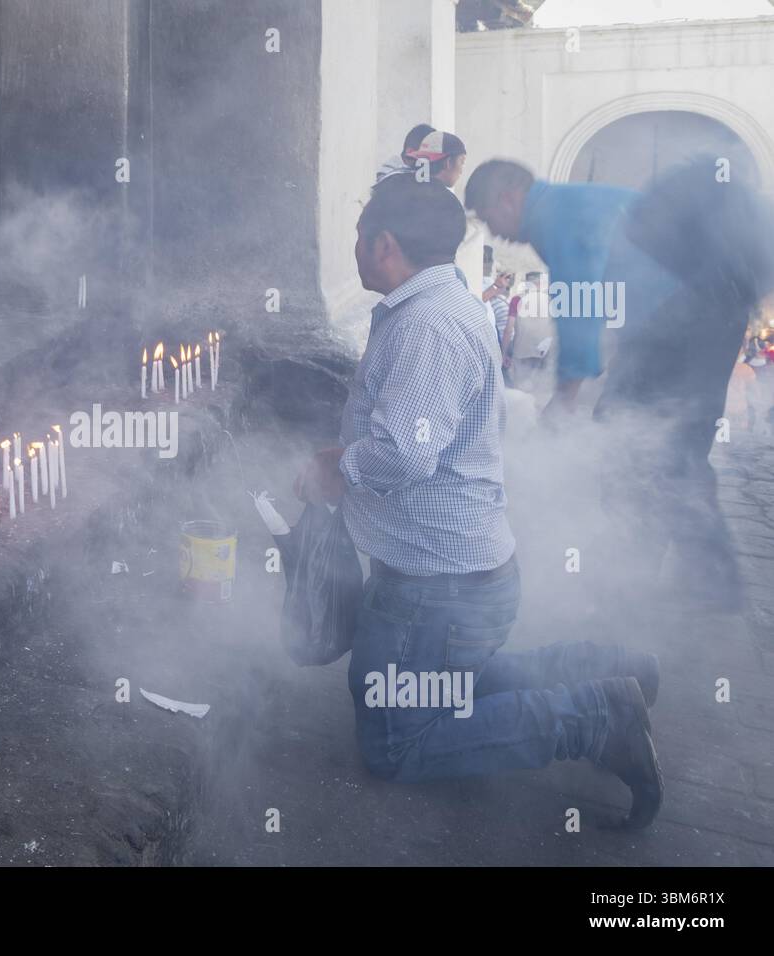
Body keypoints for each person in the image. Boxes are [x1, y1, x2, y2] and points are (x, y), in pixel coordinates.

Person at [297, 176, 663, 828]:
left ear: (382, 243)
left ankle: (595, 721)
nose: (351, 250)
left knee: (394, 742)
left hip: (436, 586)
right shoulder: (442, 305)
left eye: (357, 237)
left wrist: (340, 467)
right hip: (455, 580)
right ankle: (611, 669)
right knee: (441, 683)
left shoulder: (427, 325)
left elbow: (409, 452)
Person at [594, 159, 774, 610]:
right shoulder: (720, 274)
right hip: (697, 334)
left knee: (662, 452)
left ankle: (655, 571)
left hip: (681, 343)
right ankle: (702, 578)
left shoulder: (671, 260)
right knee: (679, 454)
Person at [464, 160, 636, 416]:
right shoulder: (562, 203)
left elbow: (579, 302)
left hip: (687, 313)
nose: (494, 234)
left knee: (625, 420)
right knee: (619, 416)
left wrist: (565, 397)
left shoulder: (557, 216)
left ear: (507, 200)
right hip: (683, 314)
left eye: (489, 219)